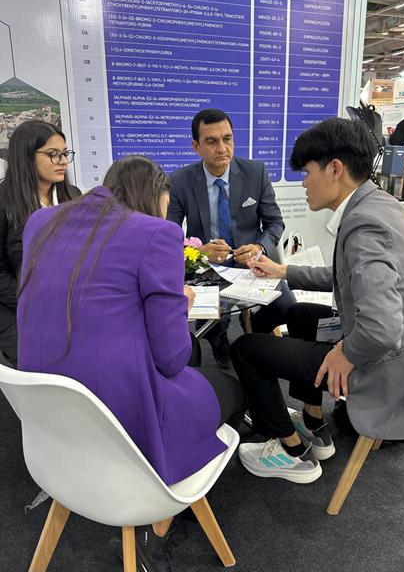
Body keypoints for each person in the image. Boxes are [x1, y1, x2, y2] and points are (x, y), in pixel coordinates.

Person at [231, 118, 404, 484]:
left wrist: (346, 354)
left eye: (307, 172)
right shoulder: (382, 205)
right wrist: (282, 271)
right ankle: (314, 421)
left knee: (246, 349)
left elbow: (381, 328)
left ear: (335, 169)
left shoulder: (364, 225)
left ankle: (291, 452)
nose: (304, 183)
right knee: (301, 314)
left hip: (390, 371)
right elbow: (348, 277)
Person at [17, 156, 245, 485]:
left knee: (191, 361)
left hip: (47, 414)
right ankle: (184, 489)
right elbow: (171, 359)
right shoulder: (157, 232)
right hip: (121, 418)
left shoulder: (41, 222)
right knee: (233, 390)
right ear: (155, 196)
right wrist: (180, 305)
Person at [167, 108, 291, 366]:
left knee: (286, 305)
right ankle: (220, 343)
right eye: (212, 141)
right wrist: (200, 252)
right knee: (212, 321)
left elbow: (274, 223)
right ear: (196, 146)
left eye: (227, 139)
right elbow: (167, 235)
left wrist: (259, 247)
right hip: (207, 269)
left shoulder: (255, 173)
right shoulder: (180, 181)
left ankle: (255, 330)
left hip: (252, 264)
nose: (222, 148)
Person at [0, 120, 80, 366]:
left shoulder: (73, 197)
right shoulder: (4, 202)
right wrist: (33, 301)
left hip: (72, 307)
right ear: (26, 156)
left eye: (65, 153)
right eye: (53, 154)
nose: (63, 161)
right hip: (18, 310)